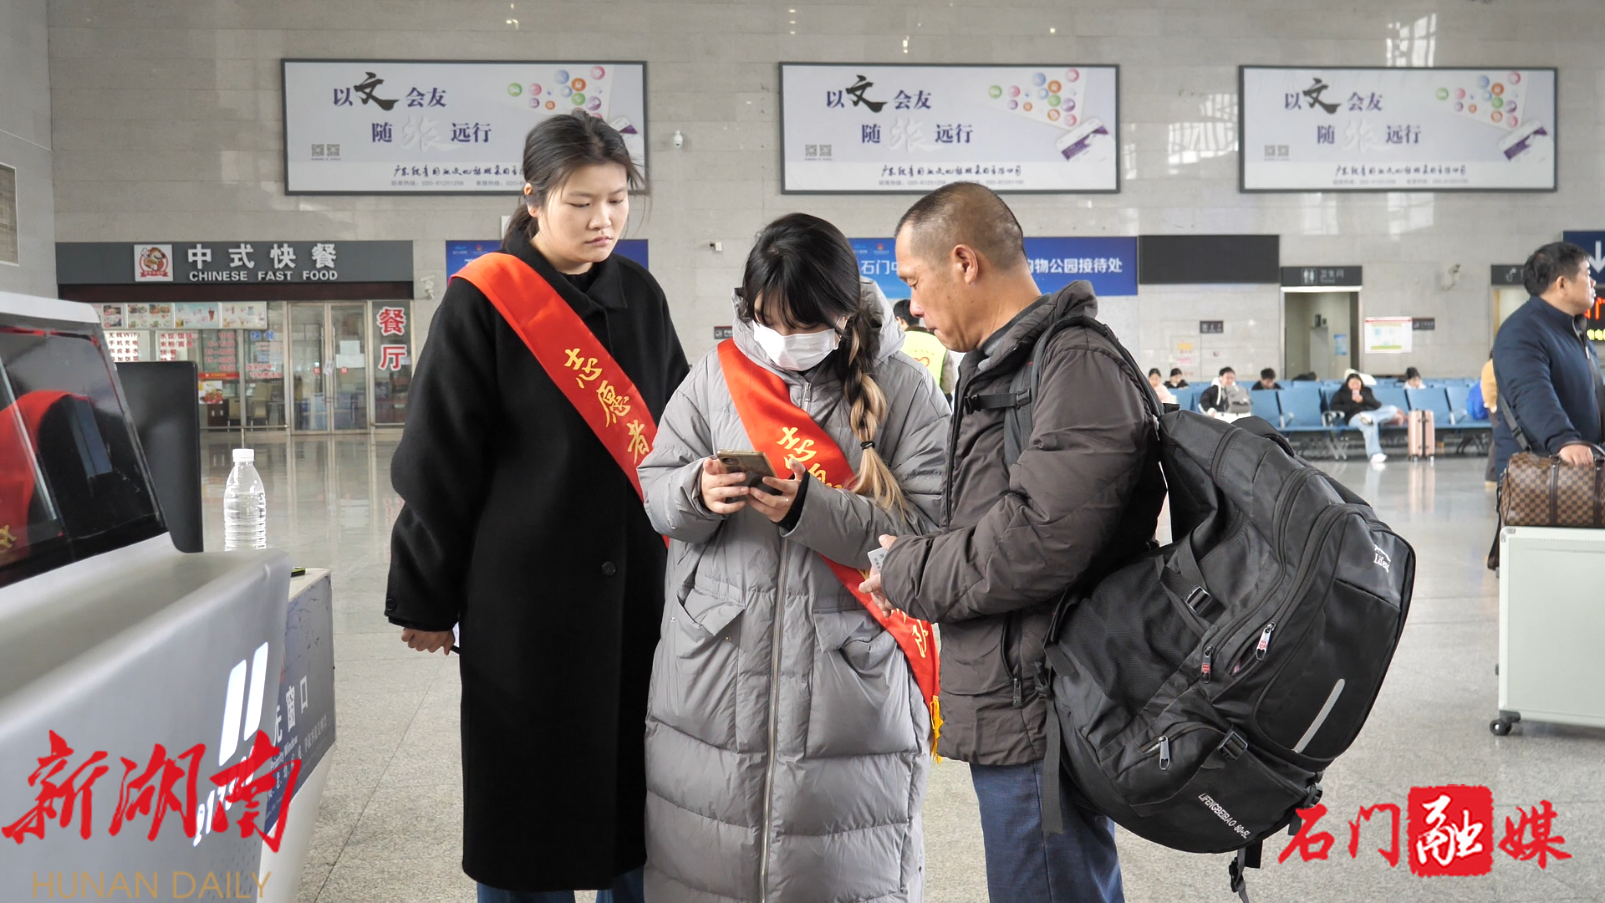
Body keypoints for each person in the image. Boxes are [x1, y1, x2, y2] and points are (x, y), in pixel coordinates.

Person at [384, 112, 689, 903]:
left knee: (639, 801)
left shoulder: (640, 295)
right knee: (528, 805)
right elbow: (438, 460)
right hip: (525, 604)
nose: (603, 220)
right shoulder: (482, 301)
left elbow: (679, 428)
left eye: (616, 200)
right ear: (533, 199)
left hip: (638, 598)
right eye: (580, 202)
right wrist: (425, 595)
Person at [862, 182, 1166, 903]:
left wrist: (907, 570)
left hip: (1042, 705)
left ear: (964, 261)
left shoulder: (1072, 364)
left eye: (914, 280)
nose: (912, 306)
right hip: (1015, 693)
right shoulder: (1009, 363)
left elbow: (1036, 539)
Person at [638, 213, 948, 903]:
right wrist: (695, 491)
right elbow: (655, 490)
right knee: (703, 869)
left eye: (804, 324)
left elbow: (932, 531)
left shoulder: (905, 389)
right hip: (714, 670)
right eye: (768, 321)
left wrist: (812, 509)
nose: (785, 340)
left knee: (838, 871)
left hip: (849, 675)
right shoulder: (715, 377)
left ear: (844, 311)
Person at [1491, 241, 1604, 478]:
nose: (1593, 283)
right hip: (1539, 475)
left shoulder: (1574, 332)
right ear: (1562, 284)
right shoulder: (1522, 331)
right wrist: (1563, 440)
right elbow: (1531, 392)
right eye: (1587, 274)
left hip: (1579, 469)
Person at [1330, 372, 1403, 464]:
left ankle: (1371, 419)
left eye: (1357, 383)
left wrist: (1363, 399)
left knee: (1392, 409)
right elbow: (1334, 407)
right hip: (1355, 417)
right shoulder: (1341, 394)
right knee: (1369, 424)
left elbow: (1377, 405)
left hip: (1371, 414)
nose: (1355, 386)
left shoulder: (1366, 391)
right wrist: (1352, 405)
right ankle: (1375, 454)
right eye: (1352, 384)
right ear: (1347, 384)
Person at [895, 297, 958, 397]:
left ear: (898, 320)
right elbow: (948, 385)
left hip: (902, 400)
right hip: (933, 401)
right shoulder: (939, 342)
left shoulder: (895, 343)